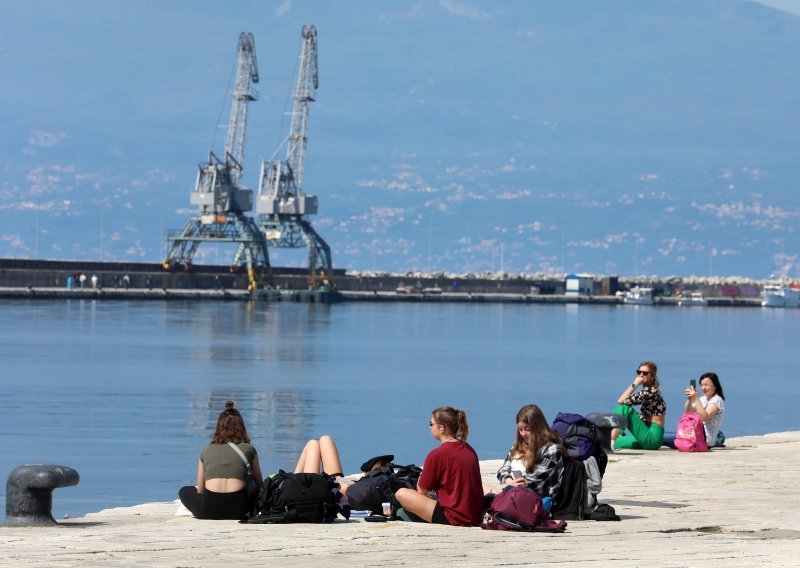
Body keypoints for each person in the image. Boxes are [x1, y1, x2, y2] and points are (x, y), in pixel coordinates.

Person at [394, 406, 484, 526]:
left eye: (431, 424)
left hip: (454, 517)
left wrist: (421, 477)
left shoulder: (437, 455)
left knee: (401, 494)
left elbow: (421, 491)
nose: (430, 427)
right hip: (476, 515)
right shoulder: (469, 449)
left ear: (441, 428)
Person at [179, 401, 263, 520]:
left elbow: (201, 491)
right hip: (240, 510)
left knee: (184, 491)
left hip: (208, 510)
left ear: (218, 428)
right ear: (242, 427)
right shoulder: (249, 449)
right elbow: (260, 485)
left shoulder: (206, 450)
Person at [488, 404, 566, 502]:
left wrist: (507, 488)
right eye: (520, 429)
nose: (523, 434)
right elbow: (503, 469)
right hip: (512, 491)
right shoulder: (517, 445)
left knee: (487, 494)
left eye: (527, 429)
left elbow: (533, 483)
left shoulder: (551, 450)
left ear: (538, 428)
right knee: (478, 486)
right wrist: (508, 481)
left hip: (535, 501)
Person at [611, 361, 666, 450]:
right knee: (616, 442)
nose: (641, 375)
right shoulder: (649, 391)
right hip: (647, 435)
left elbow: (621, 401)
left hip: (652, 438)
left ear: (652, 376)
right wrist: (641, 416)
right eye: (639, 372)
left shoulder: (650, 392)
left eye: (644, 373)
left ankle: (613, 438)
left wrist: (635, 384)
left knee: (624, 408)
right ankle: (614, 439)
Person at [684, 372, 726, 447]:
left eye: (706, 385)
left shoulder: (717, 400)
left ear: (715, 385)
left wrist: (696, 398)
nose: (703, 388)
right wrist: (690, 399)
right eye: (702, 385)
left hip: (705, 440)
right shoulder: (703, 399)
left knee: (665, 438)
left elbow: (705, 417)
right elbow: (687, 413)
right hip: (695, 435)